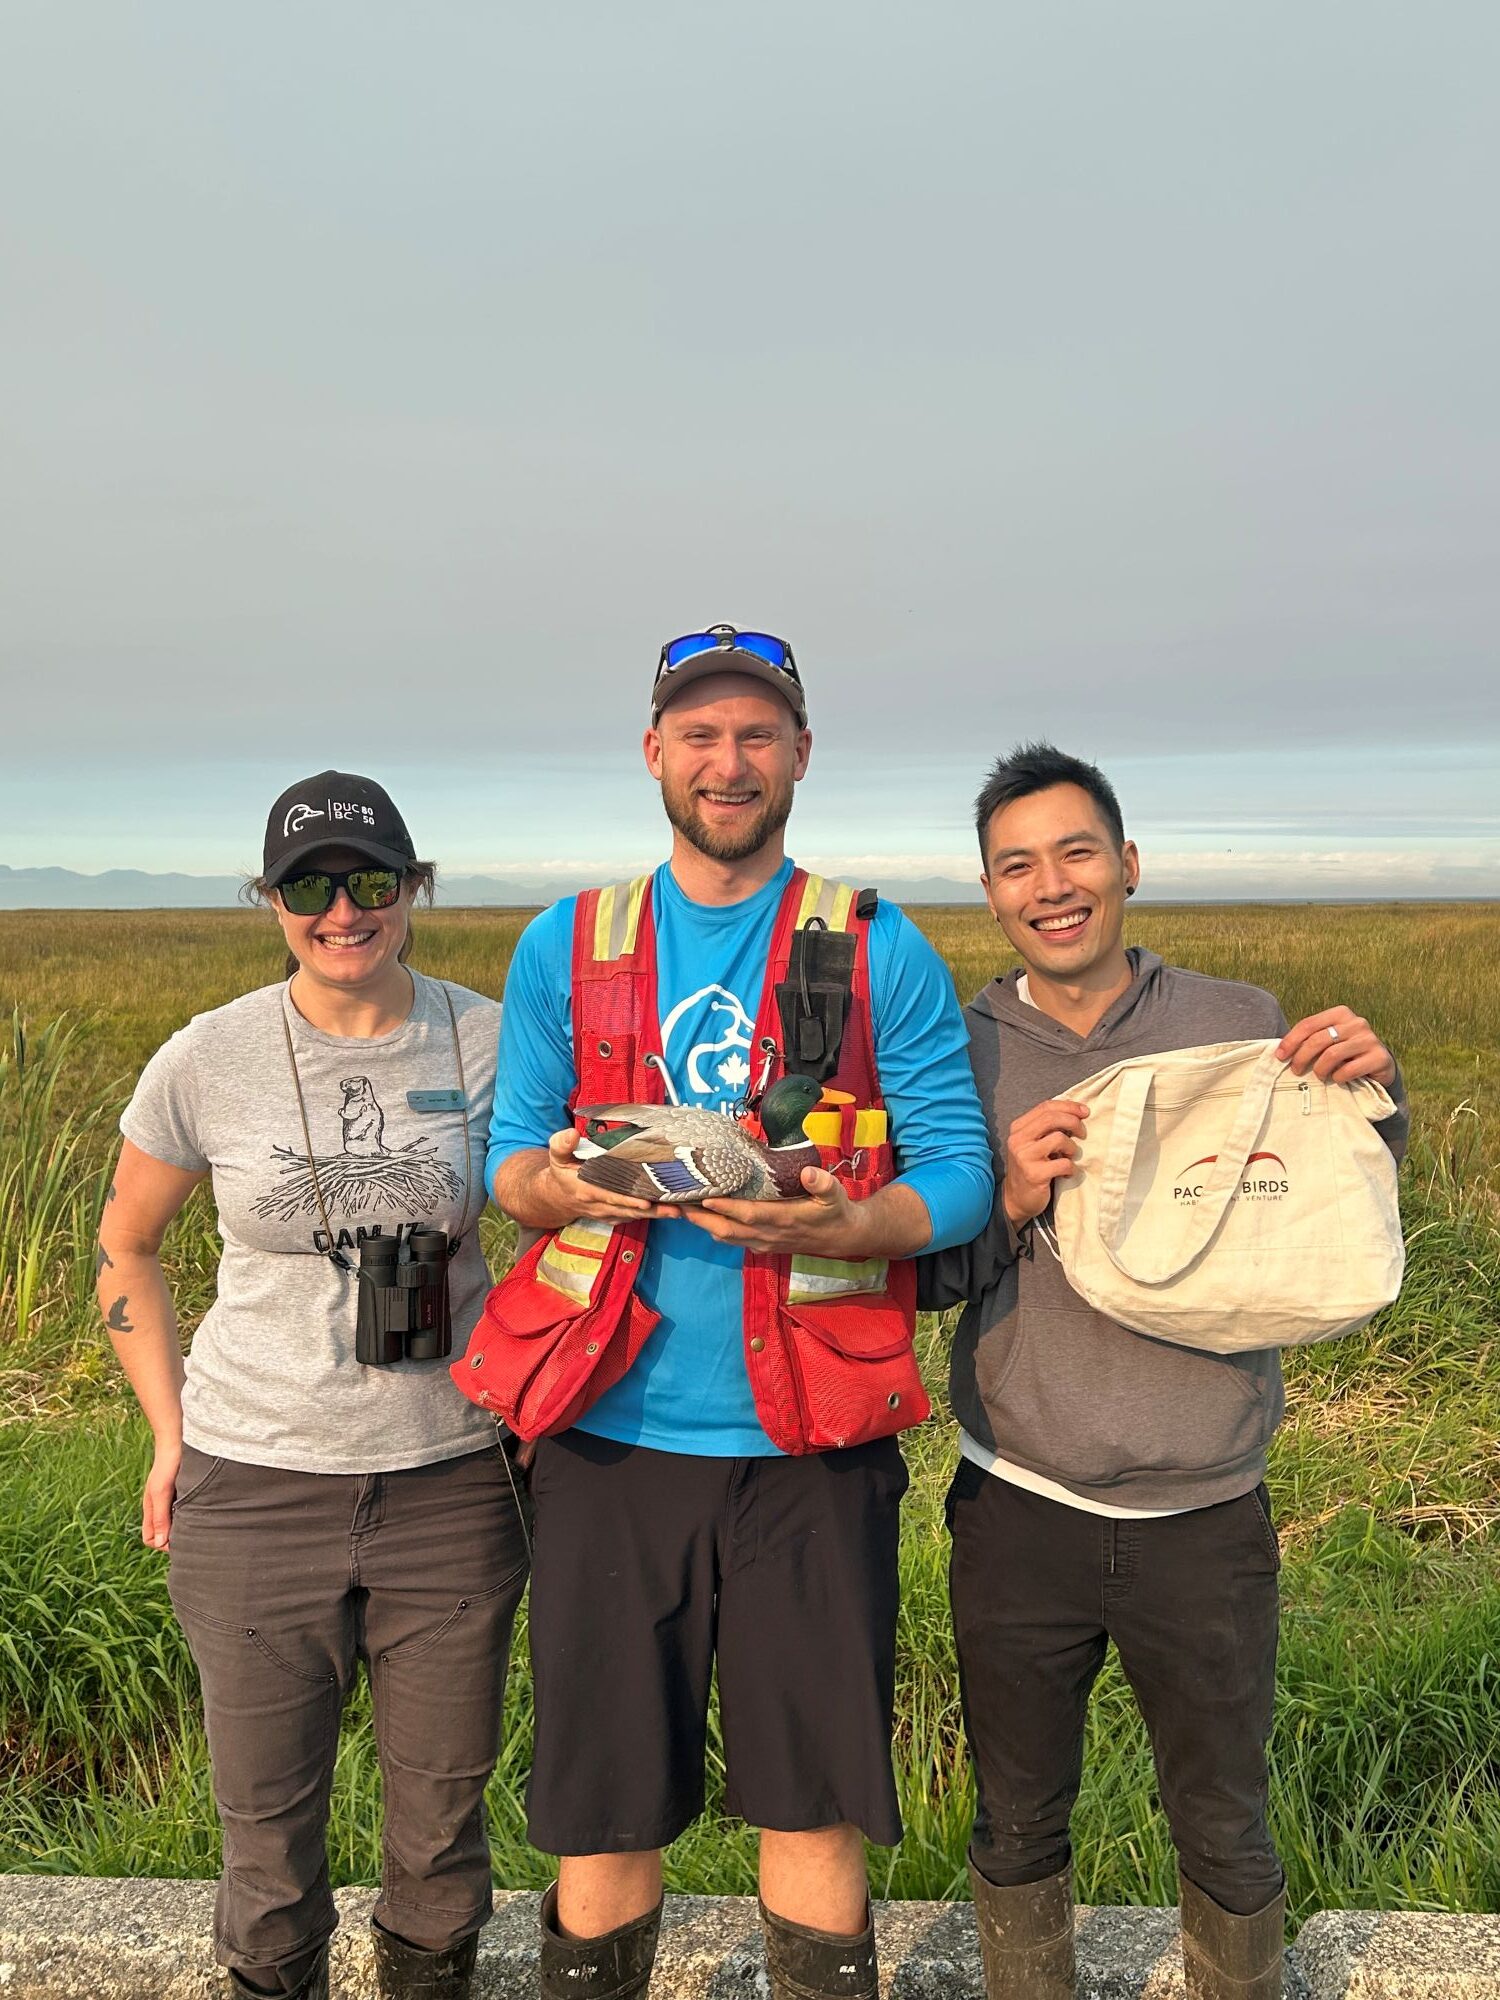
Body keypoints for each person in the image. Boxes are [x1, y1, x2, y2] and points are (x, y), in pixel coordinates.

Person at [481, 626, 994, 2000]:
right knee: (600, 1815)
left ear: (801, 757)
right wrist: (566, 1184)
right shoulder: (568, 943)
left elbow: (958, 1171)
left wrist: (846, 1222)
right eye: (699, 735)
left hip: (812, 1449)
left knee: (813, 1807)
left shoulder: (875, 946)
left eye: (757, 735)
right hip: (609, 1436)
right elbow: (508, 1159)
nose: (729, 761)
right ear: (654, 753)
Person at [920, 742, 1409, 2000]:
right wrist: (1010, 1193)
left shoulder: (1240, 1024)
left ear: (1129, 864)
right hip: (1019, 1503)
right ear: (989, 892)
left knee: (1228, 1825)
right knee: (1017, 1824)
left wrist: (1380, 1092)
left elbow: (1326, 1192)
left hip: (1208, 1513)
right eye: (1017, 864)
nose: (1053, 884)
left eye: (1078, 851)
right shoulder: (952, 1054)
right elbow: (917, 1280)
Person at [98, 770, 528, 2000]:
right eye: (309, 887)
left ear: (415, 888)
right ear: (272, 899)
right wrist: (170, 1432)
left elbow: (561, 1229)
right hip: (255, 1481)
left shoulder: (488, 1037)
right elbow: (125, 1242)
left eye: (372, 882)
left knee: (443, 1835)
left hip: (452, 1479)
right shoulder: (210, 1053)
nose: (344, 911)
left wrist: (534, 1402)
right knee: (266, 1835)